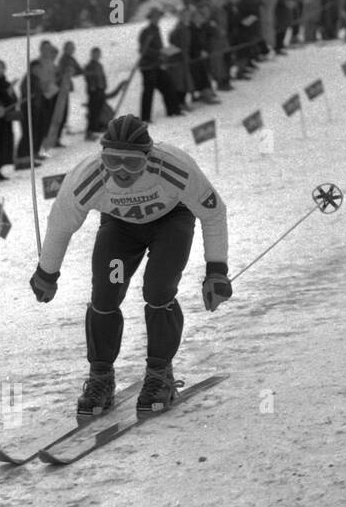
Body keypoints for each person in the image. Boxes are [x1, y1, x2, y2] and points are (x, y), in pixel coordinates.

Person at [28, 115, 231, 415]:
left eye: (132, 163)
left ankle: (160, 373)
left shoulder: (174, 167)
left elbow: (213, 212)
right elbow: (61, 223)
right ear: (102, 156)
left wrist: (216, 271)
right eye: (113, 161)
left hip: (171, 221)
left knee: (158, 289)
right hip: (121, 228)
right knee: (105, 293)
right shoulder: (88, 176)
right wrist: (47, 273)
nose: (121, 171)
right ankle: (101, 377)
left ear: (148, 158)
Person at [138, 7, 179, 122]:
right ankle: (145, 118)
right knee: (148, 92)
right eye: (154, 17)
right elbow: (143, 50)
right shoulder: (146, 32)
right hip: (148, 67)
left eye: (158, 17)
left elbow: (158, 48)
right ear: (150, 18)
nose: (157, 19)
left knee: (168, 86)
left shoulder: (157, 30)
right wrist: (159, 53)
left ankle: (173, 111)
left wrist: (165, 53)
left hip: (157, 65)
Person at [0, 60, 16, 180]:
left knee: (4, 145)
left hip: (5, 121)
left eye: (1, 67)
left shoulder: (6, 84)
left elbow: (14, 101)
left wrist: (10, 94)